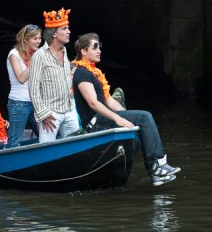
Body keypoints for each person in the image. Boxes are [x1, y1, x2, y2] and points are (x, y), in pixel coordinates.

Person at [72, 32, 181, 186]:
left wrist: (127, 116)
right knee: (144, 117)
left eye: (100, 46)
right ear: (83, 51)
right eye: (95, 47)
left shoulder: (94, 73)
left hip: (103, 118)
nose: (99, 50)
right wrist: (118, 118)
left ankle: (158, 169)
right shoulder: (81, 72)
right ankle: (157, 167)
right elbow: (93, 103)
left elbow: (108, 99)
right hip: (94, 124)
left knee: (141, 119)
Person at [29, 7, 80, 143]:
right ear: (54, 34)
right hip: (50, 114)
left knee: (74, 148)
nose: (69, 31)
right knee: (47, 150)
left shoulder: (64, 51)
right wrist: (43, 114)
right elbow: (33, 89)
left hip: (69, 110)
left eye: (68, 28)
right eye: (64, 29)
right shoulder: (39, 56)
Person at [6, 24, 41, 148]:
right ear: (26, 40)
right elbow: (21, 78)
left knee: (46, 136)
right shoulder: (13, 54)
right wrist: (35, 60)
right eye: (35, 39)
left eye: (39, 39)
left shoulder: (34, 55)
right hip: (18, 103)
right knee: (13, 143)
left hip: (35, 103)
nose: (38, 42)